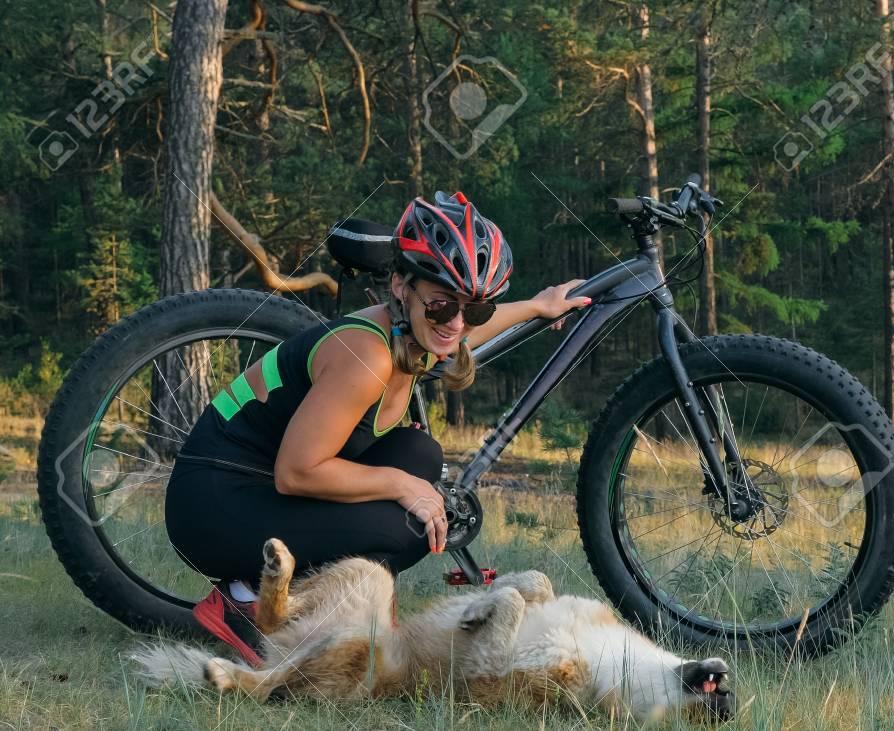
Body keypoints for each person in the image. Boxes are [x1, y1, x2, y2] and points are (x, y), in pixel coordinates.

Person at [164, 191, 588, 662]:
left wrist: (538, 305)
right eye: (443, 305)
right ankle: (243, 604)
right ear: (401, 285)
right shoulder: (366, 357)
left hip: (254, 491)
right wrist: (397, 484)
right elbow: (297, 472)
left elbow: (461, 329)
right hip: (212, 506)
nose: (457, 322)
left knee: (419, 453)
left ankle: (332, 611)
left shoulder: (416, 329)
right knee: (406, 522)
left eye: (475, 308)